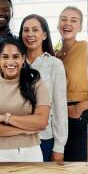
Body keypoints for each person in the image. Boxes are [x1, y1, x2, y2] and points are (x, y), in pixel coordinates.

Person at [0, 38, 50, 162]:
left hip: (31, 152)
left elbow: (41, 121)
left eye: (16, 57)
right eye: (5, 57)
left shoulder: (37, 84)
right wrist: (25, 130)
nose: (10, 62)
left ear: (23, 59)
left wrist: (3, 118)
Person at [19, 14, 68, 164]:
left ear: (45, 34)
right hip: (16, 137)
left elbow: (60, 107)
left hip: (43, 138)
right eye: (26, 30)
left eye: (35, 30)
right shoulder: (14, 62)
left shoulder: (54, 64)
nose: (30, 34)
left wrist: (59, 147)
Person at [56, 6, 88, 161]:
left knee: (75, 164)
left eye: (73, 20)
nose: (67, 23)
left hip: (76, 113)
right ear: (58, 24)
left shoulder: (85, 48)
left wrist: (79, 108)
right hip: (57, 112)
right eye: (64, 19)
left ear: (80, 26)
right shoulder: (56, 54)